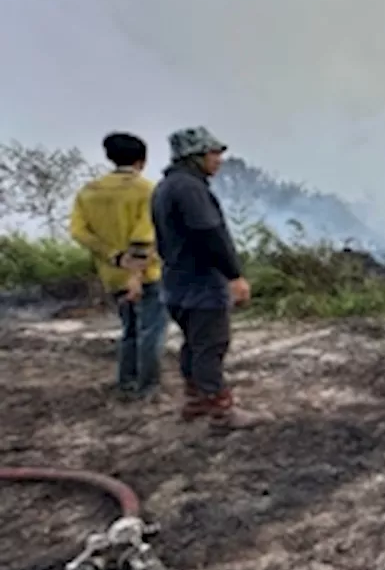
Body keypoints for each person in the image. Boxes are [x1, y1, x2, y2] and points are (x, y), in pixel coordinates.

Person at [151, 127, 259, 429]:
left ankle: (195, 401)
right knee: (211, 345)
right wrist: (234, 276)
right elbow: (209, 234)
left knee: (195, 344)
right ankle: (221, 410)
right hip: (201, 285)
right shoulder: (190, 189)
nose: (219, 160)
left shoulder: (167, 187)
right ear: (194, 156)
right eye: (213, 153)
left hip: (177, 284)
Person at [69, 132, 166, 399]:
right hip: (146, 273)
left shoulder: (89, 191)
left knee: (129, 330)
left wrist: (113, 256)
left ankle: (126, 382)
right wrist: (135, 273)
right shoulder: (147, 189)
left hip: (111, 275)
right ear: (141, 160)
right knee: (151, 330)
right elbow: (143, 237)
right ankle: (148, 388)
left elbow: (79, 231)